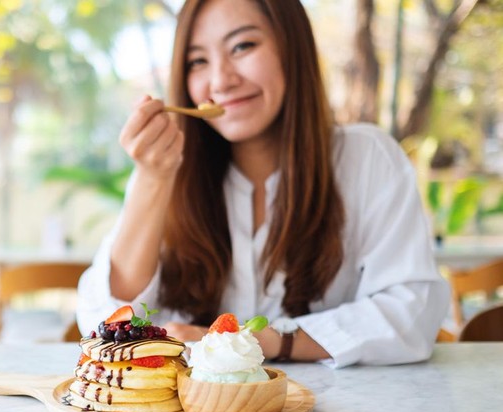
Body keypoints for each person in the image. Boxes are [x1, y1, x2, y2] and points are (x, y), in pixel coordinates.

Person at [76, 0, 450, 368]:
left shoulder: (367, 157)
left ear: (292, 48)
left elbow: (412, 310)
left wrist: (268, 340)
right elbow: (106, 321)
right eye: (198, 61)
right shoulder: (166, 170)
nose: (221, 80)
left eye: (242, 46)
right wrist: (152, 178)